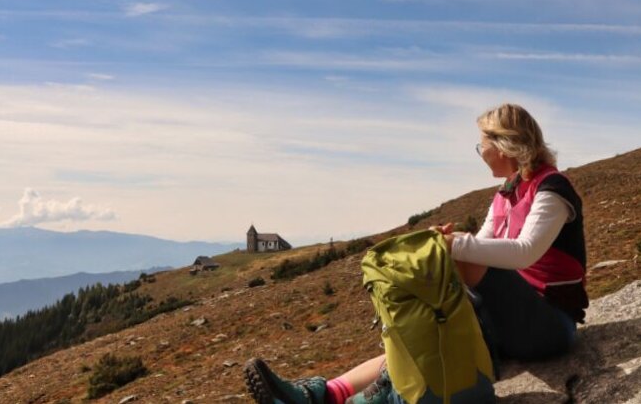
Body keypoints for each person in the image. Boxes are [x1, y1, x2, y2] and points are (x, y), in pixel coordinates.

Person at [244, 103, 587, 404]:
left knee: (451, 262)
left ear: (504, 145)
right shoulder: (506, 194)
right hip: (507, 323)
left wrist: (453, 246)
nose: (480, 153)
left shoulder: (552, 189)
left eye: (481, 145)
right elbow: (481, 242)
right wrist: (449, 247)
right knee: (424, 340)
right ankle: (322, 394)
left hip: (549, 325)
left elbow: (523, 253)